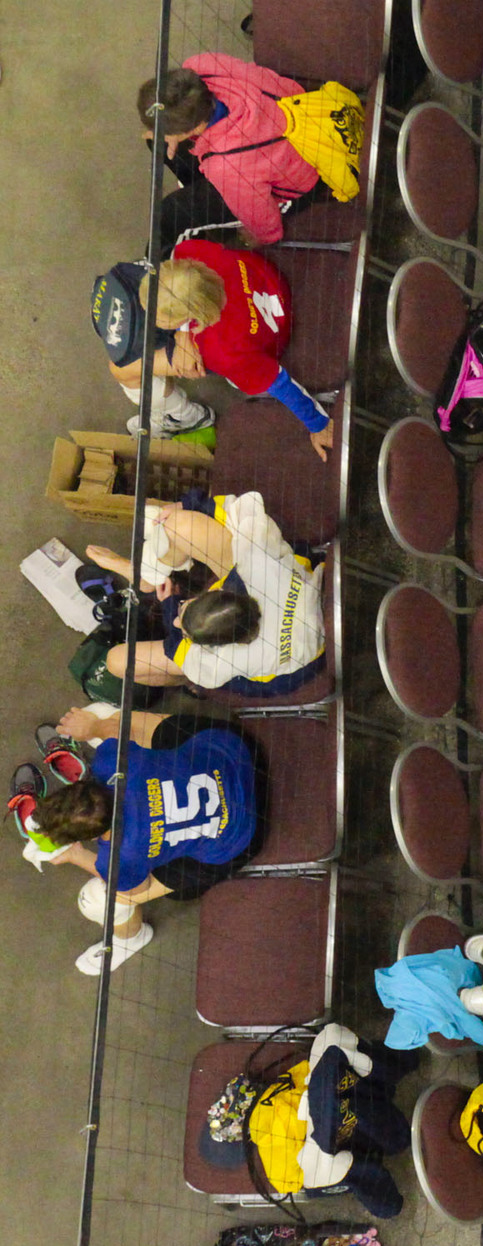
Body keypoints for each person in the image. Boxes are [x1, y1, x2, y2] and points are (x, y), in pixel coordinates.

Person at [31, 705, 261, 974]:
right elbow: (114, 731)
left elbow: (137, 887)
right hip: (235, 753)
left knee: (97, 899)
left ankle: (131, 940)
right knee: (98, 715)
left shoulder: (118, 858)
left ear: (93, 836)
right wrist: (92, 728)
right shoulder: (112, 763)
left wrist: (76, 855)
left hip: (241, 836)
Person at [94, 244, 330, 453]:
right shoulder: (192, 252)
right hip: (268, 279)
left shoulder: (223, 353)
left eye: (158, 318)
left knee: (121, 370)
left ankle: (185, 418)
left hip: (265, 340)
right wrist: (183, 332)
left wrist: (319, 425)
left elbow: (281, 384)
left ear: (188, 317)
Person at [88, 492, 325, 698]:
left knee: (116, 662)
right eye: (184, 612)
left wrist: (171, 604)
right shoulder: (256, 562)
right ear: (222, 592)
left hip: (293, 668)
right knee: (177, 524)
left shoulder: (222, 662)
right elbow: (239, 510)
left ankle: (186, 682)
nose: (175, 621)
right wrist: (187, 504)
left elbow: (177, 649)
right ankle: (148, 578)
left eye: (182, 626)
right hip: (292, 594)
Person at [137, 57, 334, 249]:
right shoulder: (201, 65)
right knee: (157, 143)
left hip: (298, 180)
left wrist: (264, 237)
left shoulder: (226, 166)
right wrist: (173, 132)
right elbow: (263, 77)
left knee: (171, 213)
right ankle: (204, 189)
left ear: (189, 130)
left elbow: (261, 215)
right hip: (296, 118)